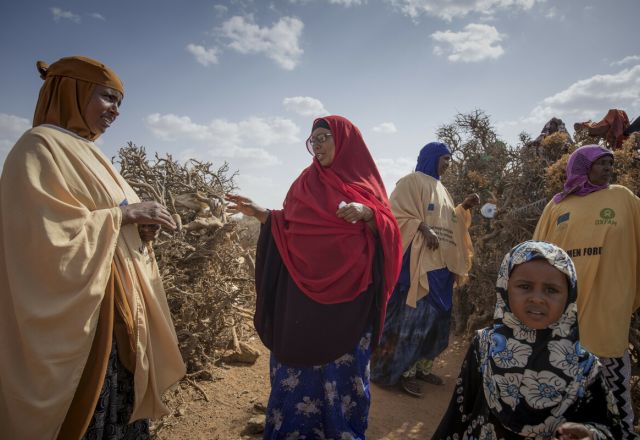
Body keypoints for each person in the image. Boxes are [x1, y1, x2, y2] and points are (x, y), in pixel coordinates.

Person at [0, 56, 185, 439]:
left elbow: (111, 220)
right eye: (107, 98)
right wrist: (124, 216)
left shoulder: (91, 152)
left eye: (120, 102)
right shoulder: (37, 147)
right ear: (73, 91)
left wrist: (140, 231)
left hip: (117, 311)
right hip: (85, 321)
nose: (116, 111)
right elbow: (38, 236)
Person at [226, 115, 402, 439]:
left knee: (343, 380)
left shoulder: (365, 186)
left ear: (345, 141)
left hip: (350, 305)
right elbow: (288, 226)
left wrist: (367, 214)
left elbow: (390, 231)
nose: (318, 145)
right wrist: (261, 213)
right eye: (313, 140)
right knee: (295, 377)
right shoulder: (304, 184)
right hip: (302, 304)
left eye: (324, 137)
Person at [433, 240, 623, 439]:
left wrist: (590, 434)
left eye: (551, 290)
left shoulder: (585, 369)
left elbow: (608, 429)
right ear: (505, 289)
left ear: (569, 296)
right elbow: (458, 414)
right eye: (524, 286)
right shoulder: (484, 346)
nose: (538, 298)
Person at [533, 144, 640, 439]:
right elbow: (536, 255)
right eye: (601, 163)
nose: (608, 169)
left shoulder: (623, 199)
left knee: (614, 395)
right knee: (558, 395)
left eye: (611, 163)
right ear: (582, 166)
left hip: (609, 308)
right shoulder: (558, 205)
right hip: (564, 315)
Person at [370, 142, 479, 397]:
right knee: (411, 323)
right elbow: (393, 215)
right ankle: (396, 373)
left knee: (436, 325)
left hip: (440, 268)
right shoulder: (410, 182)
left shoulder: (442, 189)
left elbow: (448, 222)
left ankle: (421, 367)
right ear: (431, 158)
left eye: (450, 160)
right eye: (444, 158)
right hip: (417, 267)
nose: (448, 164)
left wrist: (463, 208)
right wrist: (421, 226)